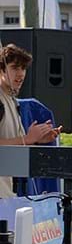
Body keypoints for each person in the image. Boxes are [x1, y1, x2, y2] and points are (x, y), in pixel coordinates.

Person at [0, 45, 58, 197]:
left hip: (7, 194)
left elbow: (12, 145)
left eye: (23, 68)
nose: (20, 74)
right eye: (14, 68)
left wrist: (38, 140)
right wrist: (27, 139)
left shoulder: (11, 100)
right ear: (1, 70)